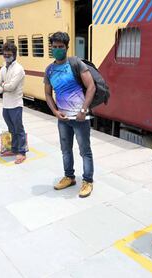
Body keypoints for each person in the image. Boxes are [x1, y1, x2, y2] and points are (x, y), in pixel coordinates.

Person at [44, 32, 96, 198]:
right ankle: (69, 177)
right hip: (63, 119)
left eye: (61, 47)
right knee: (65, 150)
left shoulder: (76, 63)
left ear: (66, 47)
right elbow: (47, 94)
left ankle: (88, 180)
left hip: (80, 118)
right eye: (55, 47)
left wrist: (83, 110)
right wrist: (55, 112)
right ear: (51, 48)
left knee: (84, 151)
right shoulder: (49, 69)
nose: (58, 49)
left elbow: (91, 86)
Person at [0, 41, 27, 164]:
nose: (6, 57)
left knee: (19, 129)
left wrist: (2, 87)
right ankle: (14, 149)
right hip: (6, 104)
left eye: (9, 54)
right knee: (11, 128)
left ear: (14, 54)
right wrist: (2, 87)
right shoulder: (3, 68)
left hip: (16, 104)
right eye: (5, 55)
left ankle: (22, 152)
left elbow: (12, 86)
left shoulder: (19, 69)